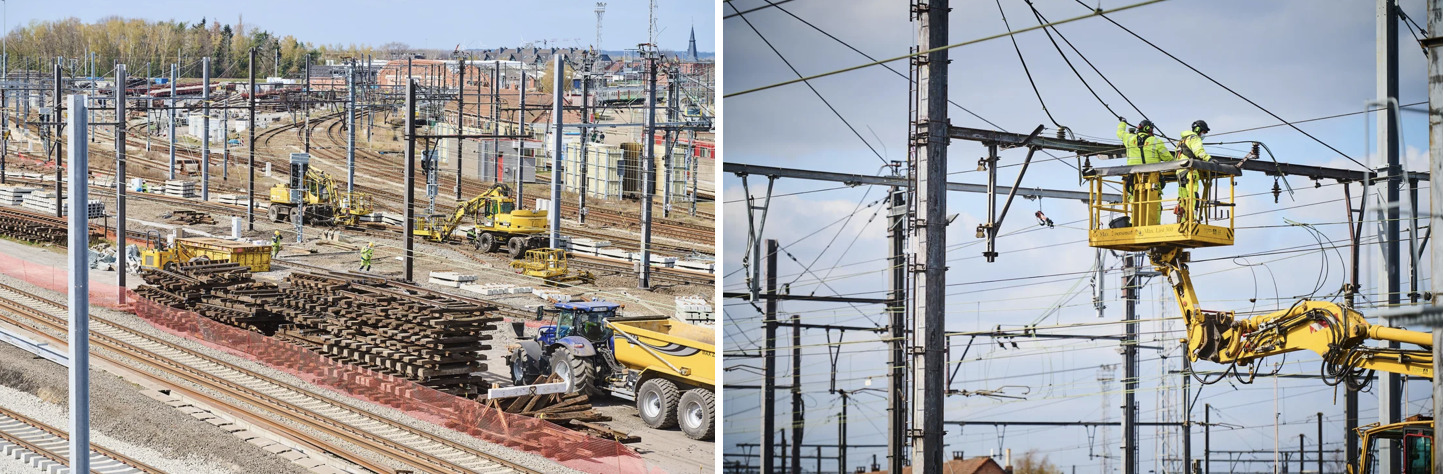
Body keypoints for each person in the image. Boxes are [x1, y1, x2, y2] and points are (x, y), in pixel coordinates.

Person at [1175, 120, 1212, 222]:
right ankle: (1193, 218)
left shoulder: (1180, 141)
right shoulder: (1194, 138)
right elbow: (1199, 151)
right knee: (1193, 194)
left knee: (1182, 196)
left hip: (1179, 172)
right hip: (1189, 170)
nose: (1203, 135)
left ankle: (1183, 219)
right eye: (1203, 132)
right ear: (1198, 130)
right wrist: (1209, 159)